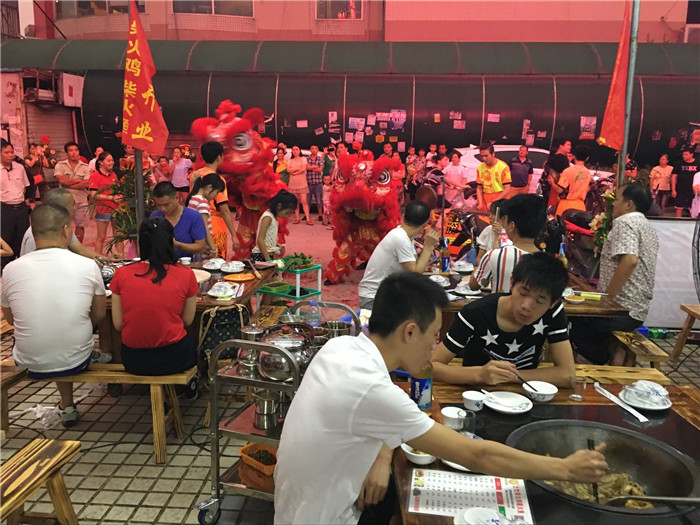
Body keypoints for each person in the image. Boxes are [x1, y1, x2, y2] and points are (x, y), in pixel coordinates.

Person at [274, 272, 607, 525]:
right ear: (409, 331)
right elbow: (477, 454)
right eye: (434, 335)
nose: (435, 346)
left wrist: (382, 456)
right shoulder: (372, 390)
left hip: (297, 507)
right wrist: (565, 468)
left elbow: (373, 406)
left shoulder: (342, 347)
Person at [1, 203, 108, 427]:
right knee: (70, 334)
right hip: (77, 358)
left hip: (28, 361)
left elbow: (11, 320)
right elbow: (99, 313)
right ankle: (101, 367)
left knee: (53, 330)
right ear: (66, 230)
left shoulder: (10, 269)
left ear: (33, 231)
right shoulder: (87, 265)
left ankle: (67, 406)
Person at [432, 252, 575, 387]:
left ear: (553, 303)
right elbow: (431, 367)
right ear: (512, 283)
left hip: (526, 396)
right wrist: (480, 375)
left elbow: (567, 375)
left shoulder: (553, 312)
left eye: (540, 300)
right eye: (523, 293)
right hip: (476, 393)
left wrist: (512, 376)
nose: (526, 306)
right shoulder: (475, 313)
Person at [569, 184, 659, 365]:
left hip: (621, 310)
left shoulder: (625, 223)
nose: (613, 204)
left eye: (617, 199)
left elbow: (630, 260)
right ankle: (613, 355)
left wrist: (608, 299)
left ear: (628, 204)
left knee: (568, 319)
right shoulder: (647, 226)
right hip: (638, 310)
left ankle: (601, 357)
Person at [110, 217, 198, 375]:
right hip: (175, 357)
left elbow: (118, 324)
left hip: (133, 359)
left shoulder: (122, 273)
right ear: (171, 241)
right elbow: (187, 320)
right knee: (193, 341)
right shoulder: (186, 274)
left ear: (140, 243)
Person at [357, 201, 440, 310]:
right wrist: (428, 247)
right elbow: (415, 274)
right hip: (373, 298)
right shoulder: (401, 238)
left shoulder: (405, 235)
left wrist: (428, 247)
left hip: (384, 294)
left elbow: (415, 265)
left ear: (403, 216)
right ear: (425, 224)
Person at [470, 194, 545, 293]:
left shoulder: (495, 255)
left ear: (511, 226)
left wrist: (492, 253)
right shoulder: (548, 263)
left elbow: (473, 285)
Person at [190, 141, 239, 258]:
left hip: (196, 221)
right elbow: (224, 209)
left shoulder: (194, 175)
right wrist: (234, 235)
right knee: (216, 260)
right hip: (214, 224)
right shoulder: (218, 180)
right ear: (219, 157)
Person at [150, 182, 206, 258]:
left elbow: (201, 247)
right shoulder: (155, 216)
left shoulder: (194, 217)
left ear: (176, 198)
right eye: (158, 205)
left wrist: (177, 245)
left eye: (166, 205)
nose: (163, 209)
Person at [1, 139, 31, 268]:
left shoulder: (20, 168)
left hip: (21, 208)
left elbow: (25, 186)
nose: (10, 155)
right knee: (5, 239)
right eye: (6, 152)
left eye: (11, 152)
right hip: (4, 209)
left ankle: (21, 266)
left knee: (23, 238)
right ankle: (4, 267)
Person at [54, 141, 92, 243]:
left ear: (79, 152)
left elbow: (87, 183)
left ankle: (77, 248)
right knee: (64, 225)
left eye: (76, 150)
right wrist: (78, 181)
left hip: (81, 200)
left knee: (80, 226)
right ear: (67, 153)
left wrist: (68, 183)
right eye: (71, 150)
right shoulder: (60, 165)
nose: (74, 153)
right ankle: (64, 247)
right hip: (64, 200)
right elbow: (61, 180)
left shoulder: (85, 167)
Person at [89, 151, 123, 257]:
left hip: (116, 208)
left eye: (112, 160)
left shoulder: (113, 175)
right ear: (100, 162)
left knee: (118, 236)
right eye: (108, 160)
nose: (111, 163)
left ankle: (122, 258)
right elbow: (93, 195)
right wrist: (110, 198)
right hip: (103, 209)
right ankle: (98, 258)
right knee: (101, 237)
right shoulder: (95, 176)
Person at [186, 173, 226, 257]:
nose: (215, 196)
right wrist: (213, 248)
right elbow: (204, 227)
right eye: (217, 192)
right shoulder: (202, 202)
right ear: (209, 188)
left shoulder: (193, 198)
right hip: (202, 247)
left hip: (193, 242)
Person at [252, 190, 297, 262]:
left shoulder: (273, 218)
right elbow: (260, 240)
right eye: (286, 213)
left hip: (267, 254)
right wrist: (268, 260)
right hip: (260, 255)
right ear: (279, 206)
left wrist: (277, 245)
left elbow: (268, 238)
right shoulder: (267, 218)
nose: (286, 216)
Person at [553, 145, 592, 216]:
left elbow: (560, 190)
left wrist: (552, 182)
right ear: (587, 158)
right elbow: (588, 188)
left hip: (566, 206)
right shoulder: (588, 173)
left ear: (574, 156)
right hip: (580, 206)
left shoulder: (568, 171)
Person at [476, 142, 511, 212]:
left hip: (501, 198)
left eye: (486, 156)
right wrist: (480, 203)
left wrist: (494, 203)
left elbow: (507, 189)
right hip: (486, 198)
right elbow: (479, 188)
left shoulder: (503, 167)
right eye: (482, 156)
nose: (484, 158)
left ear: (493, 154)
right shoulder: (480, 168)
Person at [475, 198, 507, 265]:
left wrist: (503, 234)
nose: (489, 217)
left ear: (504, 218)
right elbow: (479, 258)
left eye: (493, 214)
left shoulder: (512, 233)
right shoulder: (488, 230)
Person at [672, 147, 699, 218]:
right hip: (680, 188)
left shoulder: (698, 163)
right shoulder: (679, 163)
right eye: (683, 154)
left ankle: (692, 221)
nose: (684, 156)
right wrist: (673, 189)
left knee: (692, 207)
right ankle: (677, 221)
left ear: (691, 154)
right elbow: (674, 177)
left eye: (686, 154)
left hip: (692, 189)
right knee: (678, 206)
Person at [287, 146, 311, 225]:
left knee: (304, 201)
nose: (295, 151)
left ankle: (307, 218)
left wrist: (294, 172)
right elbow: (288, 170)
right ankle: (297, 218)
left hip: (302, 183)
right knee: (295, 201)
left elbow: (303, 169)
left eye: (296, 149)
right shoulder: (290, 160)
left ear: (299, 150)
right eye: (293, 150)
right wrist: (298, 169)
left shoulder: (303, 159)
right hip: (293, 183)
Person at [306, 145, 324, 222]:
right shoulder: (307, 159)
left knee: (319, 200)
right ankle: (307, 215)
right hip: (309, 183)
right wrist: (315, 167)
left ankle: (320, 215)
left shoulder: (320, 159)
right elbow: (306, 167)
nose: (314, 150)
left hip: (317, 183)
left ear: (317, 150)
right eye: (312, 148)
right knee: (307, 201)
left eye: (315, 149)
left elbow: (320, 170)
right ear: (310, 150)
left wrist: (311, 168)